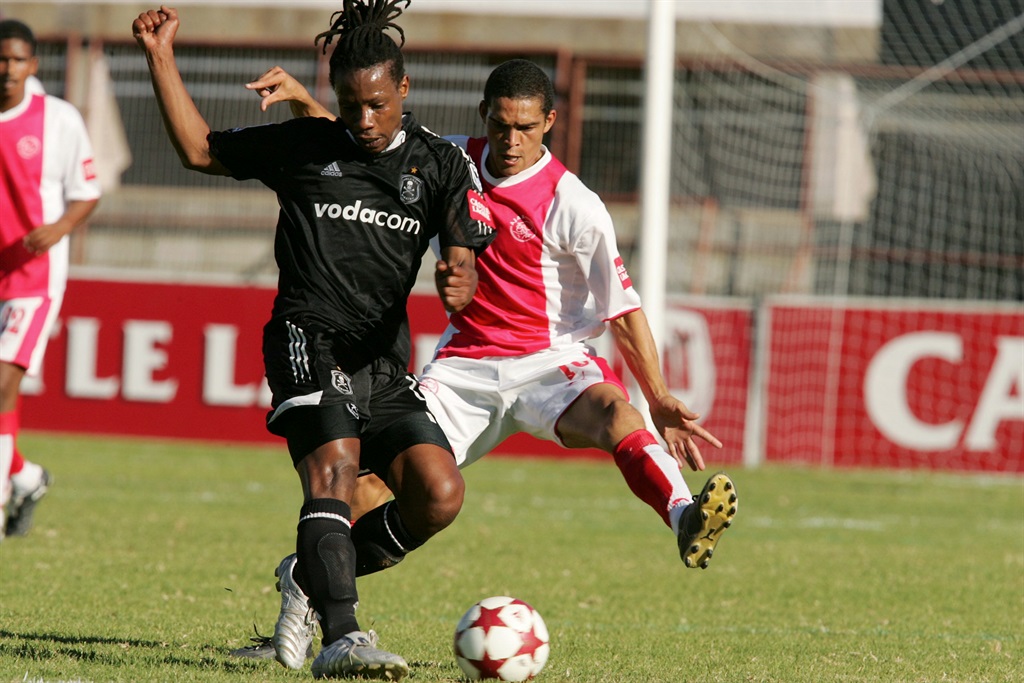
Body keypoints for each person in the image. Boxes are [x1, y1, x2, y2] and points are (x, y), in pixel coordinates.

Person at [238, 58, 739, 663]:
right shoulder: (450, 160)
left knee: (615, 413)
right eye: (501, 125)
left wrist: (657, 396)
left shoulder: (575, 204)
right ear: (485, 116)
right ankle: (305, 580)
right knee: (371, 494)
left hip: (548, 360)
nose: (511, 140)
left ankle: (684, 515)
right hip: (464, 367)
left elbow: (623, 311)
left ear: (549, 122)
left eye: (526, 127)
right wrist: (298, 98)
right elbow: (361, 141)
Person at [132, 2, 495, 679]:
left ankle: (309, 570)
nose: (363, 119)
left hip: (383, 363)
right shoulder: (305, 145)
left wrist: (459, 271)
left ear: (404, 91)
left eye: (378, 104)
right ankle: (343, 636)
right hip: (308, 340)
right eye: (350, 104)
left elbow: (463, 239)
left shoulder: (440, 163)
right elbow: (199, 150)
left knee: (439, 491)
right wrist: (160, 56)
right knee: (333, 474)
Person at [0, 19, 101, 540]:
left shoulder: (57, 119)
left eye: (17, 59)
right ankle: (25, 476)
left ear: (33, 65)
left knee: (1, 381)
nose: (7, 69)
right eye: (1, 59)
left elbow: (88, 190)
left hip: (33, 275)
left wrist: (58, 228)